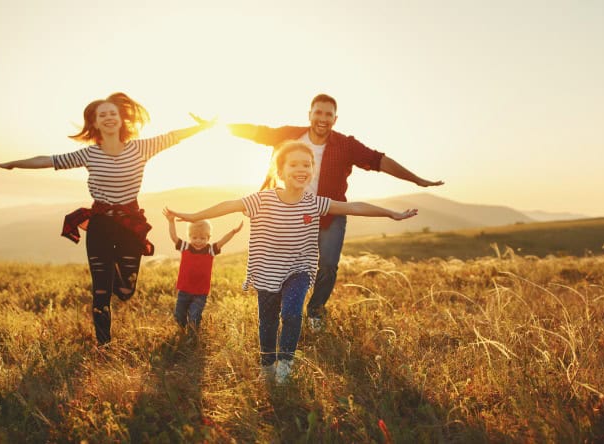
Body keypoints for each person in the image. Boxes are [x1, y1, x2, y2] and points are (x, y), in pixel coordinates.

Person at [165, 140, 418, 384]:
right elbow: (229, 205)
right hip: (266, 272)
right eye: (294, 164)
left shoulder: (314, 203)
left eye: (307, 164)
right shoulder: (262, 200)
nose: (301, 169)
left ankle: (285, 364)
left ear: (312, 171)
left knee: (292, 313)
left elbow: (354, 207)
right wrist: (193, 216)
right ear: (281, 172)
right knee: (268, 322)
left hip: (299, 270)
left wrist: (390, 213)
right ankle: (267, 365)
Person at [0, 92, 213, 346]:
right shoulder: (89, 154)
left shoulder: (140, 148)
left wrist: (203, 127)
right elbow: (48, 160)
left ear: (121, 119)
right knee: (100, 290)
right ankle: (103, 345)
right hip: (100, 225)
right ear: (95, 123)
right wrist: (13, 164)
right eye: (102, 115)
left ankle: (114, 276)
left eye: (112, 113)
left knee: (126, 291)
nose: (108, 118)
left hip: (130, 225)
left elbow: (173, 137)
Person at [213, 93, 444, 332]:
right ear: (310, 115)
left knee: (329, 264)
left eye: (328, 114)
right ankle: (281, 308)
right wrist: (217, 125)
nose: (322, 118)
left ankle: (315, 311)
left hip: (330, 213)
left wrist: (417, 180)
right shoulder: (290, 135)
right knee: (283, 263)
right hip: (290, 212)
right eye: (318, 113)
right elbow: (257, 132)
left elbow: (379, 161)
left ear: (335, 119)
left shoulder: (345, 145)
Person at [163, 211, 243, 333]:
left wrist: (233, 232)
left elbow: (222, 241)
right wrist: (171, 221)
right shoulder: (185, 247)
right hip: (184, 290)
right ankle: (182, 332)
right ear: (189, 237)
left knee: (194, 315)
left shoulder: (210, 250)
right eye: (194, 238)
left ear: (208, 238)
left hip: (201, 293)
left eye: (202, 238)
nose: (198, 241)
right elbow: (174, 237)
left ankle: (193, 334)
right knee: (179, 315)